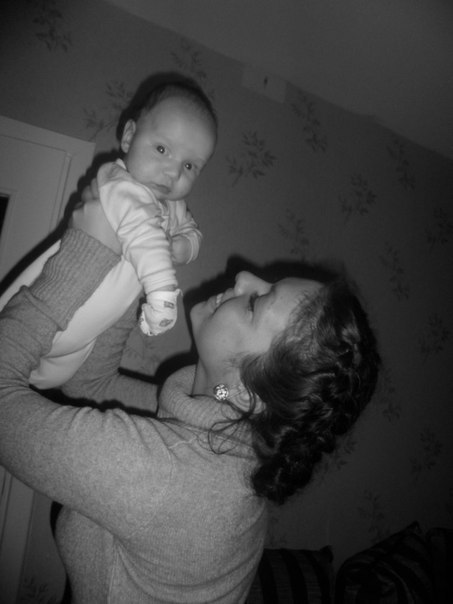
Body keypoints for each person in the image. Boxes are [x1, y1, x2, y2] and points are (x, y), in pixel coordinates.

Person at [0, 202, 380, 603]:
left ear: (247, 391)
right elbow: (93, 386)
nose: (244, 276)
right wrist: (140, 265)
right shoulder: (221, 423)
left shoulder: (167, 472)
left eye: (256, 303)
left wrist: (86, 251)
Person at [0, 78, 217, 389]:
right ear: (128, 137)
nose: (173, 172)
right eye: (161, 149)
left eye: (190, 166)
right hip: (41, 314)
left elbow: (194, 233)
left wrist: (183, 247)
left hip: (78, 348)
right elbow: (142, 231)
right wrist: (162, 293)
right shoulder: (117, 181)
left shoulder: (174, 207)